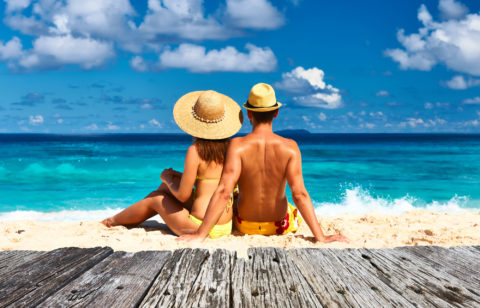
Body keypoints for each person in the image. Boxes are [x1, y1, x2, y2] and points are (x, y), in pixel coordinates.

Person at [179, 83, 349, 243]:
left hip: (245, 225)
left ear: (249, 114)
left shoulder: (237, 146)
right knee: (289, 204)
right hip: (278, 226)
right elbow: (300, 194)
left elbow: (223, 191)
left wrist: (201, 234)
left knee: (236, 194)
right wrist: (321, 237)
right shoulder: (291, 147)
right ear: (276, 113)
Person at [102, 90, 243, 238]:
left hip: (200, 226)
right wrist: (175, 177)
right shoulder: (233, 148)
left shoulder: (196, 151)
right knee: (167, 187)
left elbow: (183, 196)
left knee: (156, 198)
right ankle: (120, 220)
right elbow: (211, 181)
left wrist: (167, 179)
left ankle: (110, 222)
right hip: (225, 225)